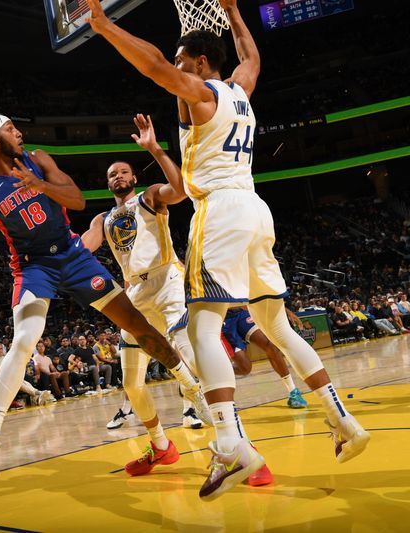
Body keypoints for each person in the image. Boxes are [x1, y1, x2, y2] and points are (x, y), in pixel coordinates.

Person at [87, 0, 369, 500]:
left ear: (198, 62)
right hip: (257, 210)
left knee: (201, 328)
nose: (175, 69)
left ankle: (230, 444)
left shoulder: (203, 93)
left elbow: (152, 64)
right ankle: (343, 421)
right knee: (277, 324)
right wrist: (235, 12)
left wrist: (106, 26)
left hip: (218, 210)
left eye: (181, 61)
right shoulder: (242, 90)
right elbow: (252, 57)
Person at [0, 112, 208, 487]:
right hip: (34, 268)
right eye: (11, 129)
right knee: (25, 339)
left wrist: (39, 184)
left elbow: (77, 201)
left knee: (136, 324)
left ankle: (190, 385)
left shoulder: (39, 158)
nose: (19, 132)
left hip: (71, 253)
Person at [80, 117, 208, 475]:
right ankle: (161, 446)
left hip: (166, 278)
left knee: (186, 350)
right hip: (134, 292)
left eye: (122, 172)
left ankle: (223, 428)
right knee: (131, 383)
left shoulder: (149, 196)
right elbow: (82, 249)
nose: (117, 177)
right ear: (108, 185)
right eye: (111, 175)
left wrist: (154, 148)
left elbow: (180, 190)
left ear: (133, 178)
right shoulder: (102, 220)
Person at [220, 307, 308, 408]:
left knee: (269, 344)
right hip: (222, 320)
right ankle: (214, 373)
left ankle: (293, 392)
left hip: (241, 313)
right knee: (245, 368)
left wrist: (287, 312)